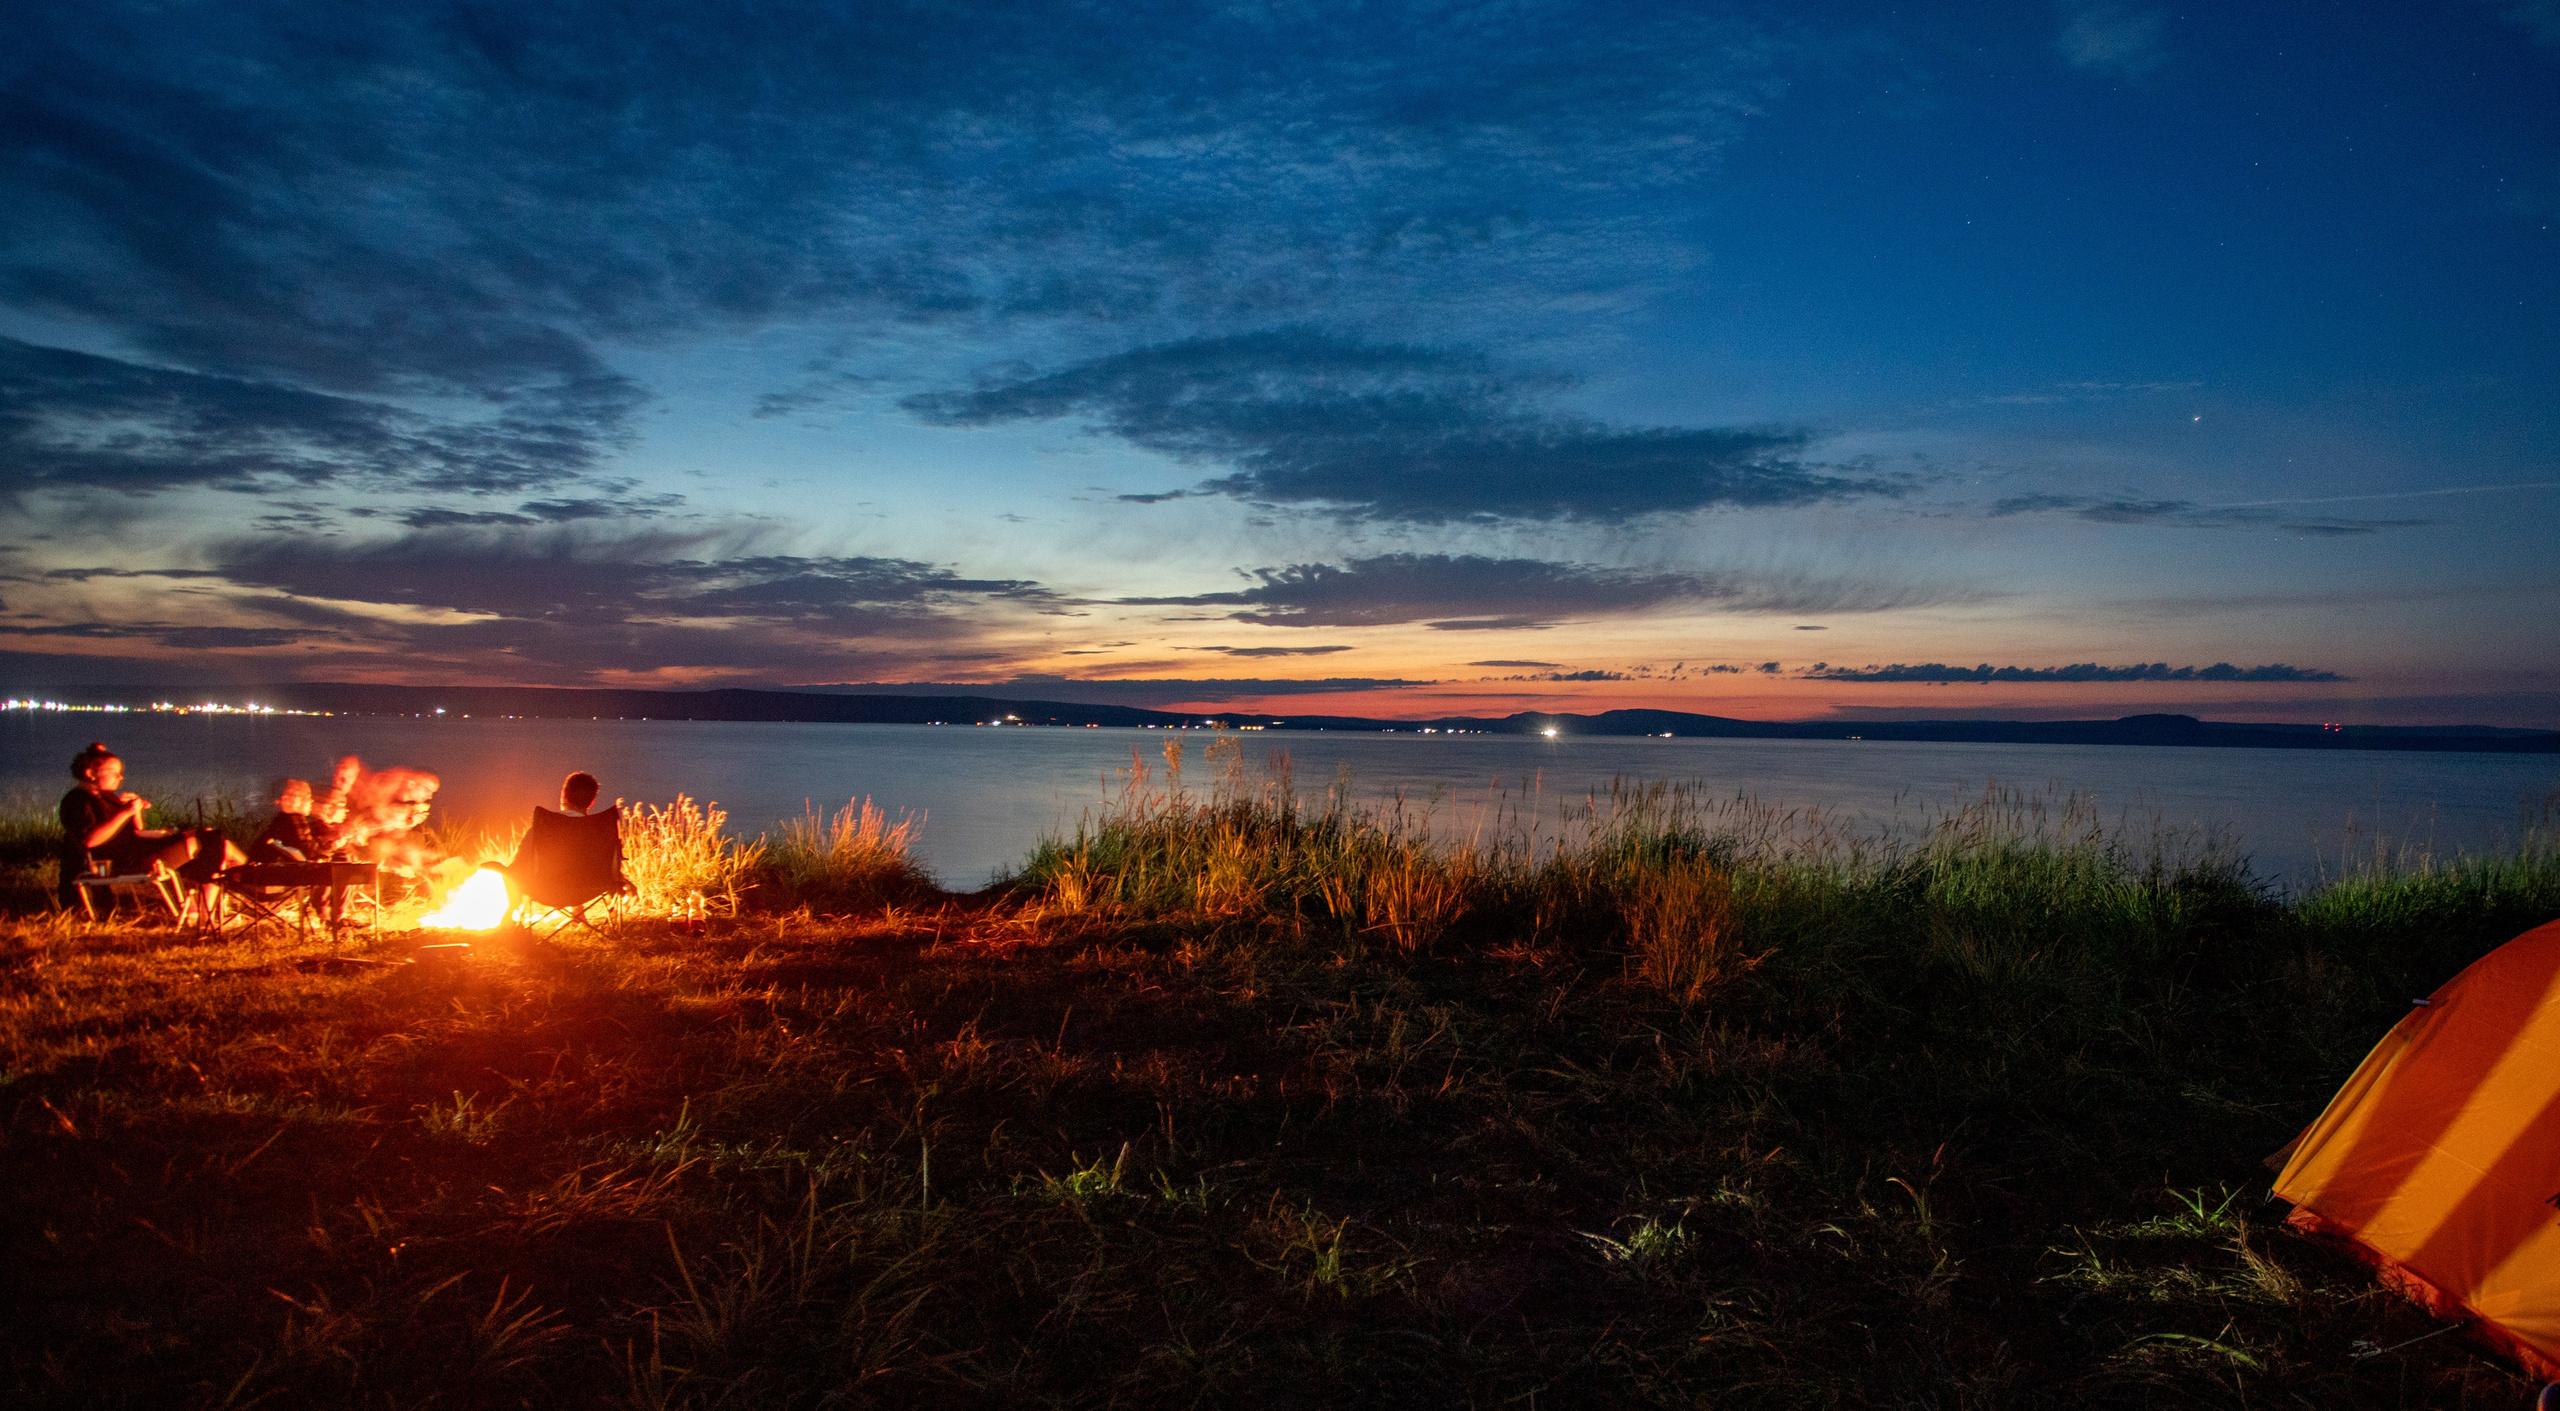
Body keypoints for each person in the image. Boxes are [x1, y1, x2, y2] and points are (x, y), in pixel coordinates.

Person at [56, 742, 244, 915]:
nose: (120, 777)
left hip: (138, 849)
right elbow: (89, 841)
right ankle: (206, 911)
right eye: (114, 772)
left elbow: (137, 830)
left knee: (213, 836)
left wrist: (135, 810)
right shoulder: (77, 801)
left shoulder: (108, 797)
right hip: (122, 860)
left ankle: (259, 888)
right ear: (91, 773)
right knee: (209, 843)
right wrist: (124, 813)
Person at [250, 777, 336, 863]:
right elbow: (309, 853)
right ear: (295, 800)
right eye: (308, 797)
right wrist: (334, 844)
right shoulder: (295, 820)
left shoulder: (280, 821)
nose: (311, 801)